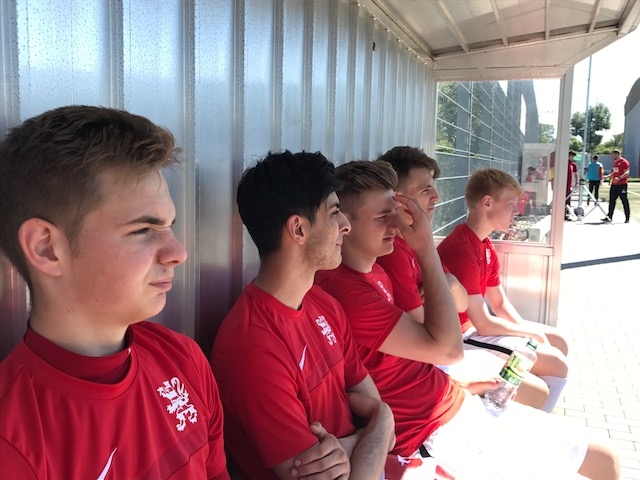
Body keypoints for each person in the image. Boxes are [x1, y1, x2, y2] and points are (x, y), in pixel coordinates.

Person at [316, 160, 619, 480]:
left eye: (396, 211)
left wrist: (463, 385)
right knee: (598, 460)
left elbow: (418, 353)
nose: (396, 224)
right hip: (428, 433)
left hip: (450, 402)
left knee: (604, 458)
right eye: (382, 216)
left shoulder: (377, 271)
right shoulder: (346, 288)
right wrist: (426, 249)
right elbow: (448, 349)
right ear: (344, 224)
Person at [0, 106, 230, 479]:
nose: (178, 252)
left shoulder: (184, 360)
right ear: (46, 248)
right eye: (143, 230)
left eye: (169, 226)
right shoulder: (13, 442)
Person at [211, 151, 411, 480]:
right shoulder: (251, 346)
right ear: (299, 229)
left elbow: (384, 431)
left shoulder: (324, 304)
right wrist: (381, 421)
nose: (345, 225)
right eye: (334, 212)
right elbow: (378, 426)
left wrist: (372, 429)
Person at [376, 146, 549, 409]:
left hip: (449, 346)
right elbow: (432, 332)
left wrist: (448, 286)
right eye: (425, 190)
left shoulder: (418, 244)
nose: (437, 197)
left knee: (540, 371)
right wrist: (448, 289)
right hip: (438, 357)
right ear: (397, 199)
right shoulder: (395, 253)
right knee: (536, 388)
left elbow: (461, 302)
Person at [437, 168, 570, 413]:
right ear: (487, 203)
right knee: (556, 363)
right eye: (511, 204)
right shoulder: (461, 249)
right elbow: (483, 324)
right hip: (461, 336)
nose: (516, 211)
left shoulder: (485, 245)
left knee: (557, 341)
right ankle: (539, 415)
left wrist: (528, 334)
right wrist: (529, 335)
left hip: (476, 328)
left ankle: (535, 411)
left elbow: (499, 304)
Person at [602, 149, 631, 223]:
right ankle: (609, 216)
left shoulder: (624, 162)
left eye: (612, 155)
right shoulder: (615, 162)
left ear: (617, 154)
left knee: (624, 201)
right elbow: (614, 172)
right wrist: (607, 176)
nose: (611, 156)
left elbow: (627, 172)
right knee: (612, 201)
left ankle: (627, 217)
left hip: (622, 185)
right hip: (614, 185)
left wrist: (619, 178)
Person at [565, 150, 578, 219]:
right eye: (572, 156)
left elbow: (575, 174)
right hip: (563, 184)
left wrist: (576, 182)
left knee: (568, 199)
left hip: (569, 184)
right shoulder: (564, 163)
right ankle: (563, 213)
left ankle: (567, 213)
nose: (573, 158)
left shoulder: (573, 164)